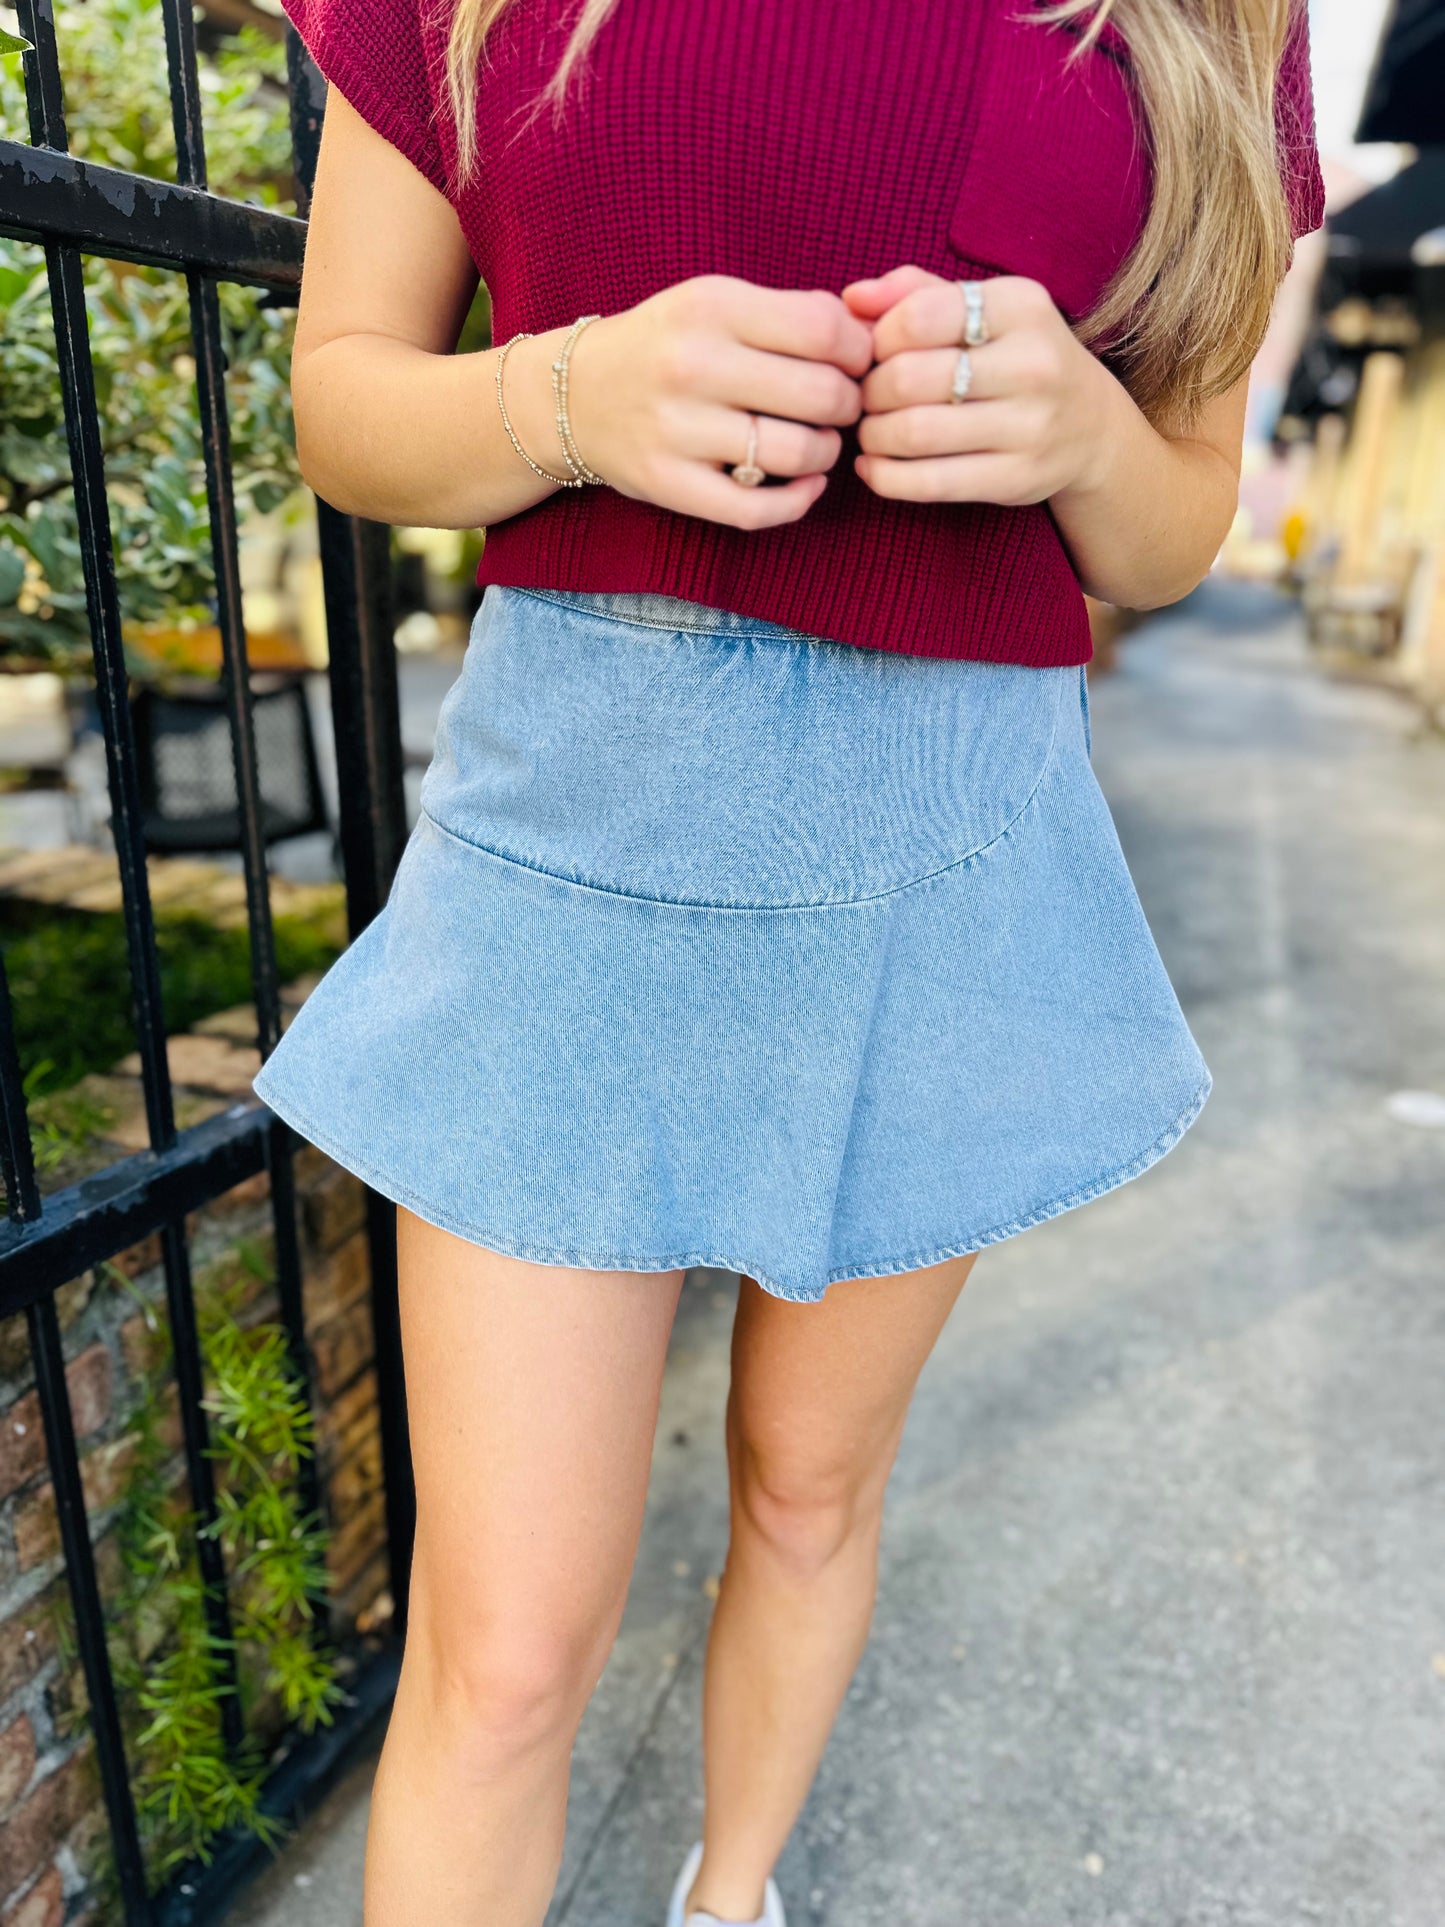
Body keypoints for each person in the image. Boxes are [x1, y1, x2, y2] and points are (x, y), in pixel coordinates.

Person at [254, 1, 1325, 1921]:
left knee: (809, 1491)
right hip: (575, 836)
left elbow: (1172, 526)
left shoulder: (1219, 20)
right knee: (503, 1651)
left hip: (945, 844)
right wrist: (569, 396)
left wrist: (1084, 432)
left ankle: (729, 1895)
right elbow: (341, 400)